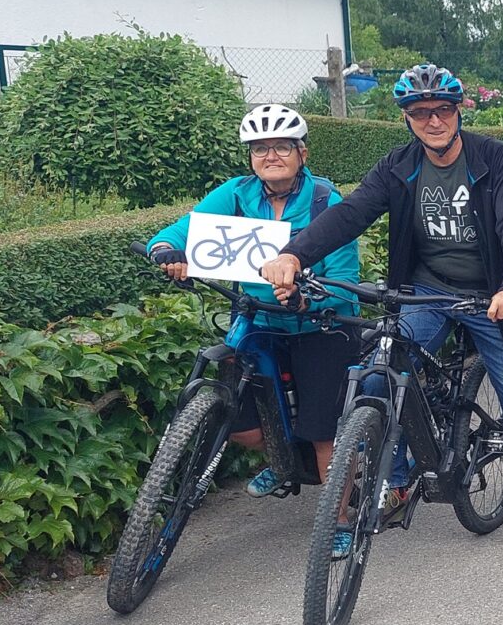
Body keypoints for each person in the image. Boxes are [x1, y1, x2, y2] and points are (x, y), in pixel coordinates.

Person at [259, 64, 503, 566]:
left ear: (458, 111)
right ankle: (398, 479)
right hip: (427, 291)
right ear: (407, 118)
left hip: (491, 296)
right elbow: (350, 213)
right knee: (379, 376)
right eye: (420, 112)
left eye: (442, 110)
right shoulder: (398, 167)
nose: (433, 120)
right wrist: (295, 255)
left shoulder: (495, 159)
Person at [147, 104, 361, 494]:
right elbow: (185, 229)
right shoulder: (238, 193)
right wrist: (167, 250)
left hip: (320, 326)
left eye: (282, 146)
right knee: (242, 426)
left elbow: (345, 282)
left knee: (324, 435)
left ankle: (342, 521)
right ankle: (284, 459)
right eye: (260, 149)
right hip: (260, 322)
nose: (271, 156)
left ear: (302, 154)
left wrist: (304, 299)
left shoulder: (325, 200)